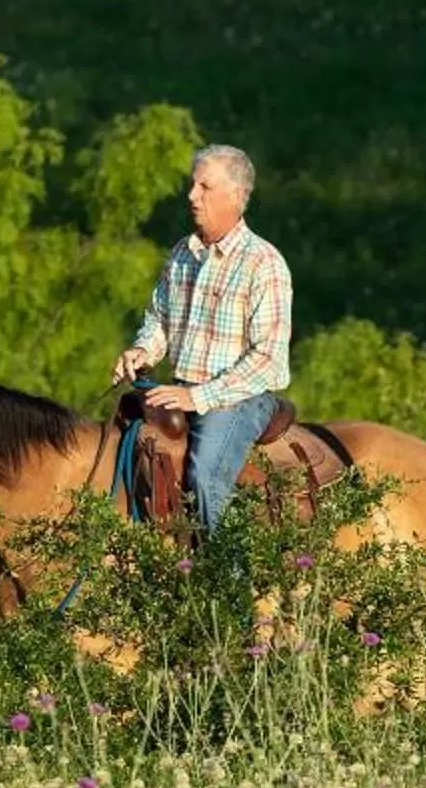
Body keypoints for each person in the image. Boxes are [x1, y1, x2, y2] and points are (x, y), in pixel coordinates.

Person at [112, 143, 295, 537]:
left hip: (241, 399)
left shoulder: (264, 263)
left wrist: (197, 397)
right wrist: (142, 350)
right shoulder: (182, 253)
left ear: (236, 195)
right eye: (193, 185)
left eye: (204, 187)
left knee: (206, 474)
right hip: (182, 390)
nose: (192, 195)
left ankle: (229, 573)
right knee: (120, 446)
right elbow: (158, 320)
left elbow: (268, 359)